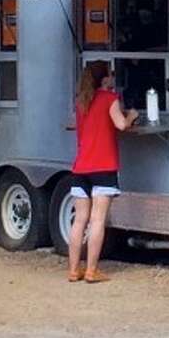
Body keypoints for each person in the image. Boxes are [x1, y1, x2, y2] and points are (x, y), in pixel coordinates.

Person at [68, 61, 137, 284]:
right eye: (111, 75)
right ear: (105, 79)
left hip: (80, 167)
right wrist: (131, 116)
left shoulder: (81, 102)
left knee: (79, 221)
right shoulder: (110, 99)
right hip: (103, 166)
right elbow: (120, 125)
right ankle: (91, 270)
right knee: (97, 220)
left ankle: (72, 270)